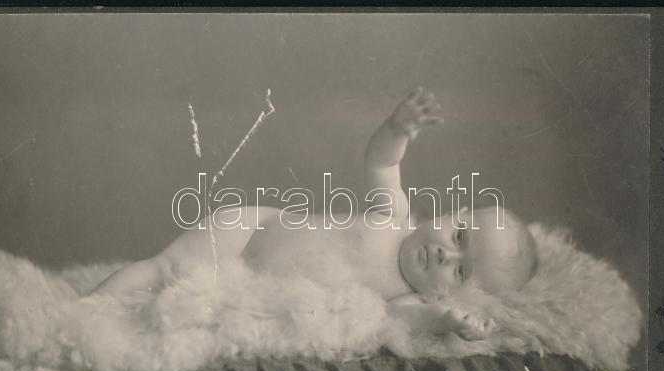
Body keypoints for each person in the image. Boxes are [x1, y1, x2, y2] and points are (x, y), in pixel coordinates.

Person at [92, 88, 538, 341]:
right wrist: (397, 129)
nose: (445, 255)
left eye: (461, 272)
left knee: (172, 310)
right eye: (459, 238)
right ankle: (83, 313)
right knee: (164, 268)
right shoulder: (396, 216)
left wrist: (446, 321)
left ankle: (108, 331)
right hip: (251, 229)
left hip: (243, 286)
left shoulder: (406, 297)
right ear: (452, 214)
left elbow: (408, 321)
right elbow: (382, 164)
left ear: (456, 295)